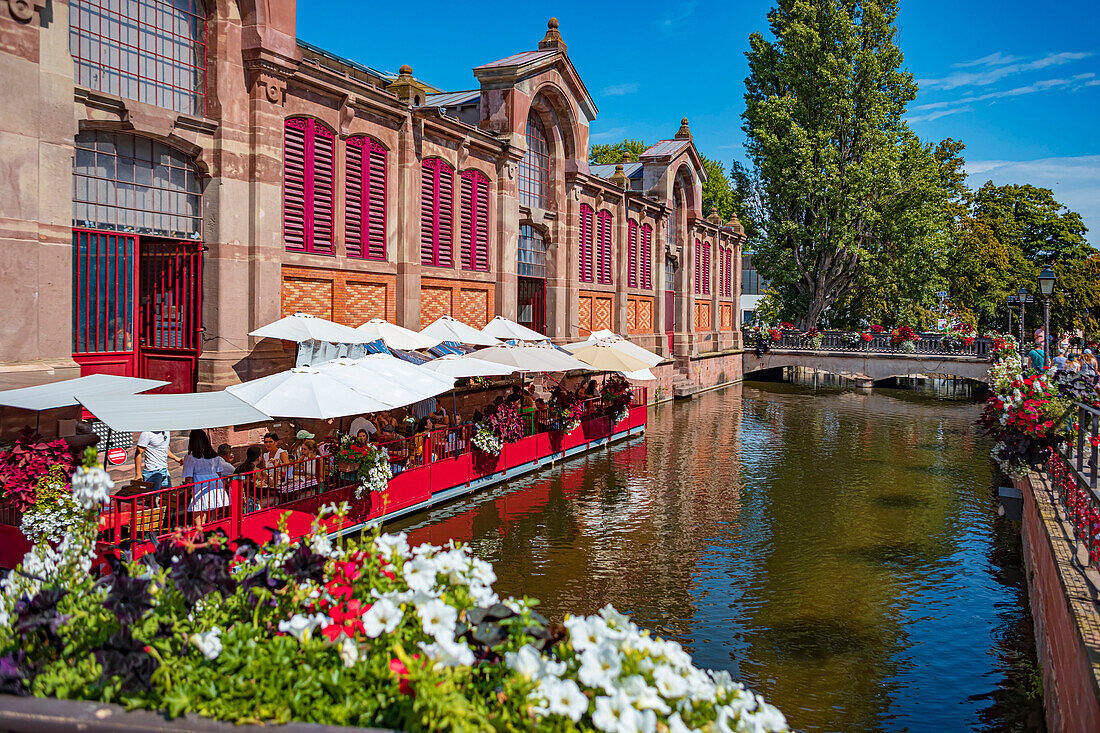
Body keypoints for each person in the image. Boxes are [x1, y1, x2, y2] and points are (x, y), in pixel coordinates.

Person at [182, 429, 233, 523]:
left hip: (199, 485)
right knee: (213, 517)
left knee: (200, 515)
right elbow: (219, 473)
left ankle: (201, 535)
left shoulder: (190, 457)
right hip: (215, 484)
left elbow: (188, 478)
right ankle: (211, 535)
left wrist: (188, 491)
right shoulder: (214, 456)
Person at [233, 445, 263, 511]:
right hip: (249, 502)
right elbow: (272, 484)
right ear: (258, 458)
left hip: (237, 499)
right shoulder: (257, 471)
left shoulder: (240, 467)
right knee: (276, 499)